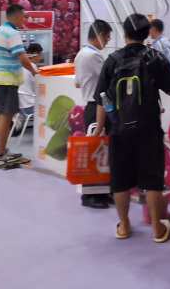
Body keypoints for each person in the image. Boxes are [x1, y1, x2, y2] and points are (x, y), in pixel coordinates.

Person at [93, 13, 170, 242]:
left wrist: (99, 128)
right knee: (153, 179)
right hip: (149, 128)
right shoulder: (155, 57)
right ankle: (157, 229)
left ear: (125, 34)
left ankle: (124, 226)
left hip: (118, 129)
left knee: (120, 179)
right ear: (147, 34)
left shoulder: (112, 60)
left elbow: (101, 98)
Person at [0, 4, 37, 166]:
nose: (24, 19)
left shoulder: (0, 30)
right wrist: (34, 71)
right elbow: (22, 59)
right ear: (16, 17)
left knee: (4, 115)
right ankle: (1, 156)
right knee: (6, 116)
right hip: (7, 81)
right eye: (23, 16)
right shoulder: (13, 33)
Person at [75, 19, 113, 209]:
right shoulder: (93, 56)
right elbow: (110, 78)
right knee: (95, 151)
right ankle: (89, 195)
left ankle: (100, 193)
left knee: (98, 151)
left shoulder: (81, 53)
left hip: (91, 106)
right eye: (107, 38)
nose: (107, 42)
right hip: (96, 106)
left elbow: (77, 83)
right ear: (100, 35)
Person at [17, 42, 42, 121]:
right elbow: (37, 88)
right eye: (40, 55)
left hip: (20, 108)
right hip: (30, 107)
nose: (40, 58)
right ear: (36, 54)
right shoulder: (32, 66)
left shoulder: (20, 65)